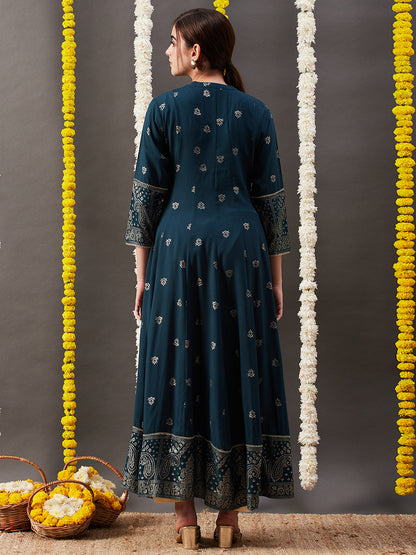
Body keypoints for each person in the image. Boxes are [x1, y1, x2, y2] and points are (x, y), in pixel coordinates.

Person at [122, 7, 294, 550]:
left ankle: (184, 518)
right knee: (237, 366)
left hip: (177, 250)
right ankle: (230, 519)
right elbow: (272, 204)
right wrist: (277, 282)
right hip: (242, 251)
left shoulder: (163, 109)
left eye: (172, 42)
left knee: (178, 365)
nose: (167, 51)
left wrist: (141, 277)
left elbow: (146, 200)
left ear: (195, 52)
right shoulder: (256, 111)